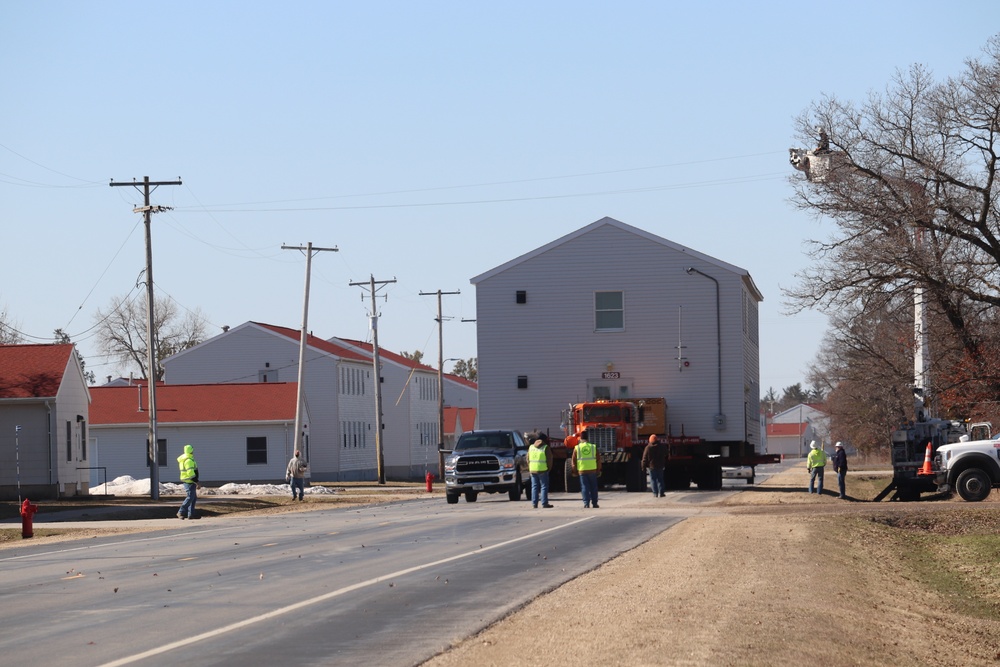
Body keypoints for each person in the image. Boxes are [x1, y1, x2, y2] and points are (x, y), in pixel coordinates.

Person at [571, 429, 601, 508]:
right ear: (588, 439)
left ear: (580, 439)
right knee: (593, 487)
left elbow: (573, 461)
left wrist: (574, 471)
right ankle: (594, 503)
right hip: (592, 471)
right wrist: (598, 470)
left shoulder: (577, 448)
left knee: (584, 487)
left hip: (582, 471)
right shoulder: (593, 447)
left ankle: (586, 503)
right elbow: (598, 460)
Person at [528, 438, 554, 508]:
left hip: (533, 469)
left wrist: (530, 467)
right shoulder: (545, 447)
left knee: (534, 486)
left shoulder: (531, 447)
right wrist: (548, 468)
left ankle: (534, 503)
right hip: (542, 469)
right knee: (544, 486)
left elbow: (527, 458)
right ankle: (544, 503)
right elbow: (549, 459)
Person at [177, 444, 199, 519]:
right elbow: (190, 473)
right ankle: (181, 511)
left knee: (193, 497)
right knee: (190, 497)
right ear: (191, 451)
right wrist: (196, 482)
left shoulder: (185, 459)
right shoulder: (188, 460)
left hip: (188, 480)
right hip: (189, 481)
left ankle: (191, 514)